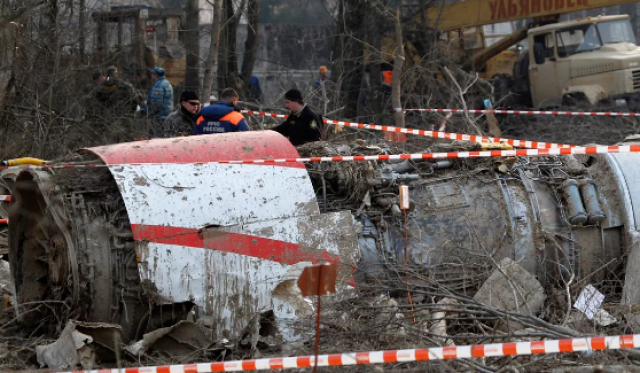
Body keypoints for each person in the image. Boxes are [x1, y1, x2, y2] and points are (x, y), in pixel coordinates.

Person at [146, 67, 173, 137]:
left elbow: (157, 103)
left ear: (156, 75)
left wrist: (150, 112)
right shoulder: (167, 83)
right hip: (167, 114)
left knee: (157, 137)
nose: (151, 76)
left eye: (152, 74)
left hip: (159, 116)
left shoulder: (158, 86)